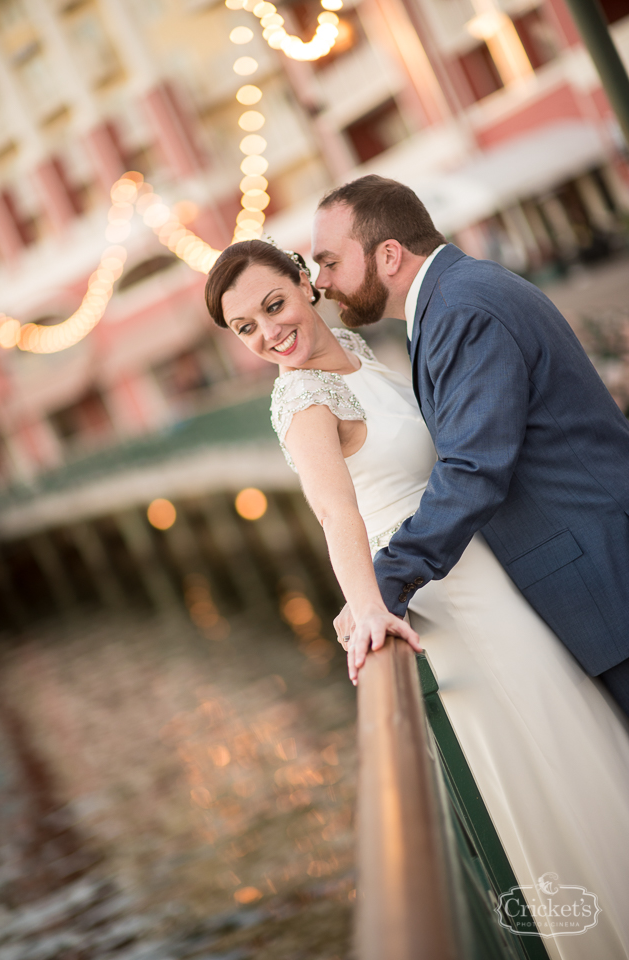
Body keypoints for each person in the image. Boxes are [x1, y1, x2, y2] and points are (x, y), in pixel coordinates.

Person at [204, 239, 629, 960]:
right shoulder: (301, 399)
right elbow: (337, 516)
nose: (268, 333)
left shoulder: (350, 348)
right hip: (450, 605)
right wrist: (366, 604)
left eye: (272, 305)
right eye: (246, 328)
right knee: (544, 751)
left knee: (576, 725)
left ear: (305, 285)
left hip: (492, 576)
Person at [311, 175, 629, 718]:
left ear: (388, 255)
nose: (321, 282)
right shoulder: (457, 294)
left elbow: (473, 468)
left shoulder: (461, 308)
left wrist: (382, 581)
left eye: (330, 262)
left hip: (605, 571)